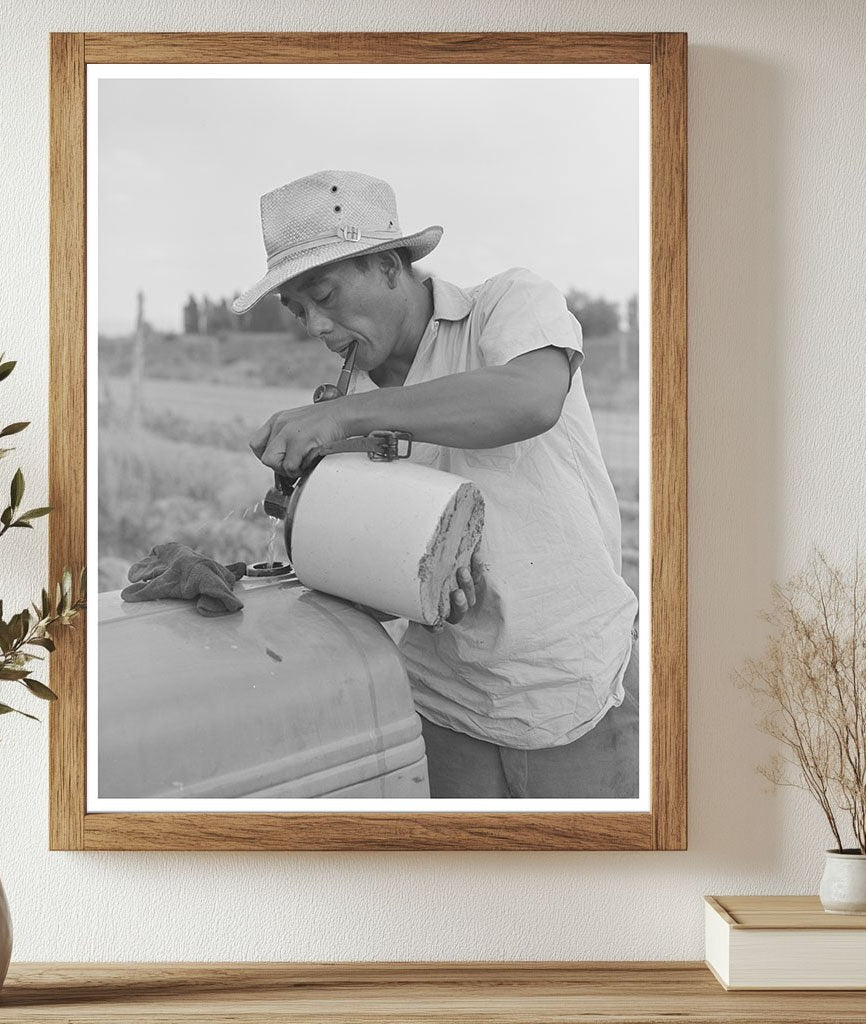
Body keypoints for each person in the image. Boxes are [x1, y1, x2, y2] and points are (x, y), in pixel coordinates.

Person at [231, 168, 640, 799]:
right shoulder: (346, 403)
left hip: (568, 686)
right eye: (298, 310)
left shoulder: (507, 304)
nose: (315, 326)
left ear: (391, 264)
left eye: (326, 296)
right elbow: (375, 568)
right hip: (441, 701)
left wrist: (344, 417)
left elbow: (529, 401)